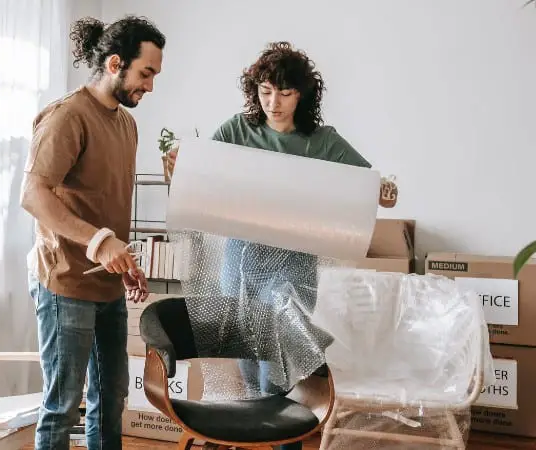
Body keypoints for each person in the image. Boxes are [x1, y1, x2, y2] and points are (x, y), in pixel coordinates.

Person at [166, 41, 396, 450]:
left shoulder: (321, 141)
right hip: (240, 262)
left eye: (284, 93)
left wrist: (385, 189)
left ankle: (284, 438)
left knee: (283, 357)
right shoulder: (239, 130)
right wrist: (180, 167)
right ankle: (252, 436)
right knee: (248, 358)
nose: (273, 102)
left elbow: (366, 184)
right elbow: (200, 179)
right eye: (265, 91)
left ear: (302, 95)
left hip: (293, 266)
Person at [19, 14, 164, 450]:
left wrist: (123, 262)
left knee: (111, 399)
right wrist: (100, 242)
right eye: (146, 72)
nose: (150, 85)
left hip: (107, 288)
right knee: (63, 405)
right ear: (116, 63)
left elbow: (105, 203)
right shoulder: (67, 117)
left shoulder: (126, 124)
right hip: (64, 283)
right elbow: (34, 195)